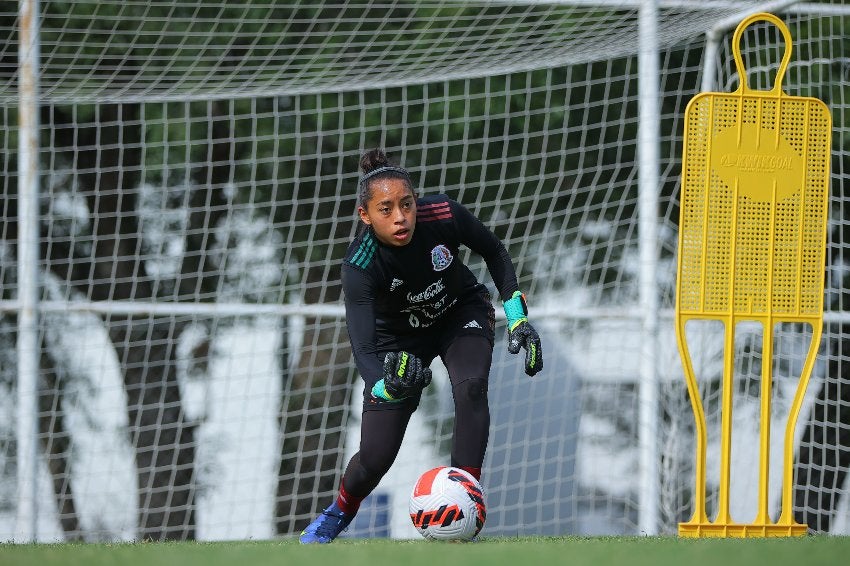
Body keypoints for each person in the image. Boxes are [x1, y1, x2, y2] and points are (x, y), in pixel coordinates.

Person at [299, 148, 543, 544]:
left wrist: (517, 317)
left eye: (406, 204)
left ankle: (464, 499)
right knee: (375, 458)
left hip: (458, 312)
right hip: (398, 344)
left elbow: (495, 252)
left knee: (472, 388)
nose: (400, 217)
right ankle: (338, 513)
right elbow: (363, 348)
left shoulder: (444, 213)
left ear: (416, 201)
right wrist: (384, 384)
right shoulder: (359, 266)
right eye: (386, 209)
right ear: (365, 216)